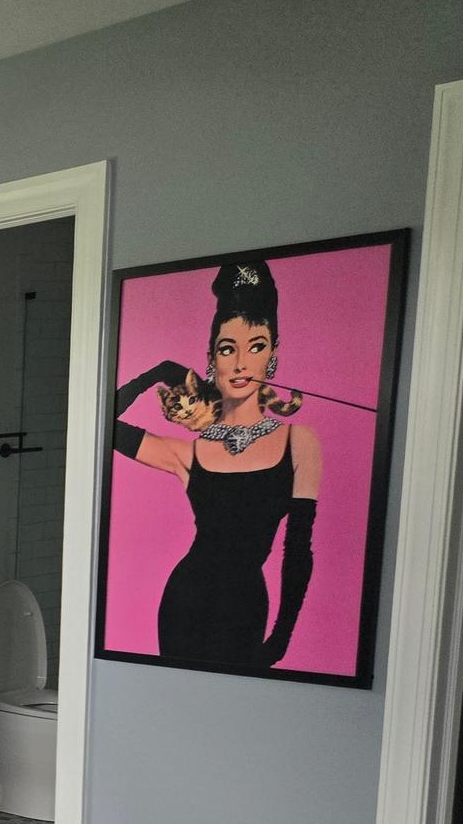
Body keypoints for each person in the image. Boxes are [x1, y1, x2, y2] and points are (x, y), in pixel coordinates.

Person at [112, 258, 319, 668]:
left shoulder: (299, 442)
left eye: (256, 346)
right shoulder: (187, 453)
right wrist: (157, 373)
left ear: (272, 355)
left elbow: (298, 550)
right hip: (184, 601)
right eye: (228, 349)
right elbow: (99, 424)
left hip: (245, 607)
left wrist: (282, 635)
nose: (241, 363)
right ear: (212, 360)